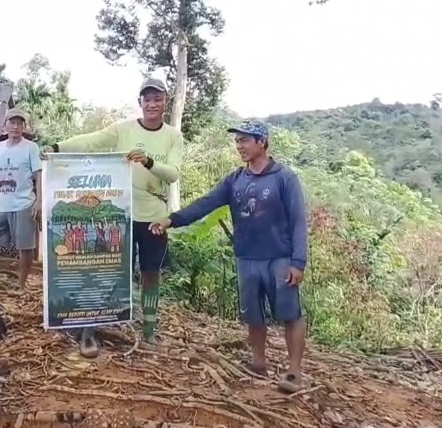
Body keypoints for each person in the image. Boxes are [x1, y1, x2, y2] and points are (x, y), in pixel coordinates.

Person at [150, 121, 309, 393]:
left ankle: (294, 371)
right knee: (253, 314)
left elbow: (298, 221)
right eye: (237, 141)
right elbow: (205, 204)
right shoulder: (235, 180)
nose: (240, 146)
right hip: (247, 257)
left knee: (290, 313)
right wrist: (171, 220)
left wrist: (298, 262)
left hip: (280, 258)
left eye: (245, 140)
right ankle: (259, 362)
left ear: (262, 142)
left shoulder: (285, 178)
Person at [40, 78, 184, 348]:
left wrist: (148, 161)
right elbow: (91, 142)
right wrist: (57, 148)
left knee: (151, 272)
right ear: (139, 102)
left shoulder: (173, 136)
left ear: (166, 101)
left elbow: (173, 174)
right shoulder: (123, 129)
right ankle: (90, 327)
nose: (152, 104)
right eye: (147, 99)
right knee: (106, 268)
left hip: (154, 215)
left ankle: (149, 329)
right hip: (121, 215)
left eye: (158, 98)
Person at [0, 107, 41, 289]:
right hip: (0, 204)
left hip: (24, 203)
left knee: (25, 247)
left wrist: (39, 201)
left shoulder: (31, 147)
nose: (16, 126)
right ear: (5, 125)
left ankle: (21, 283)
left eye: (20, 123)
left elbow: (38, 175)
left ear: (23, 127)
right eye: (12, 122)